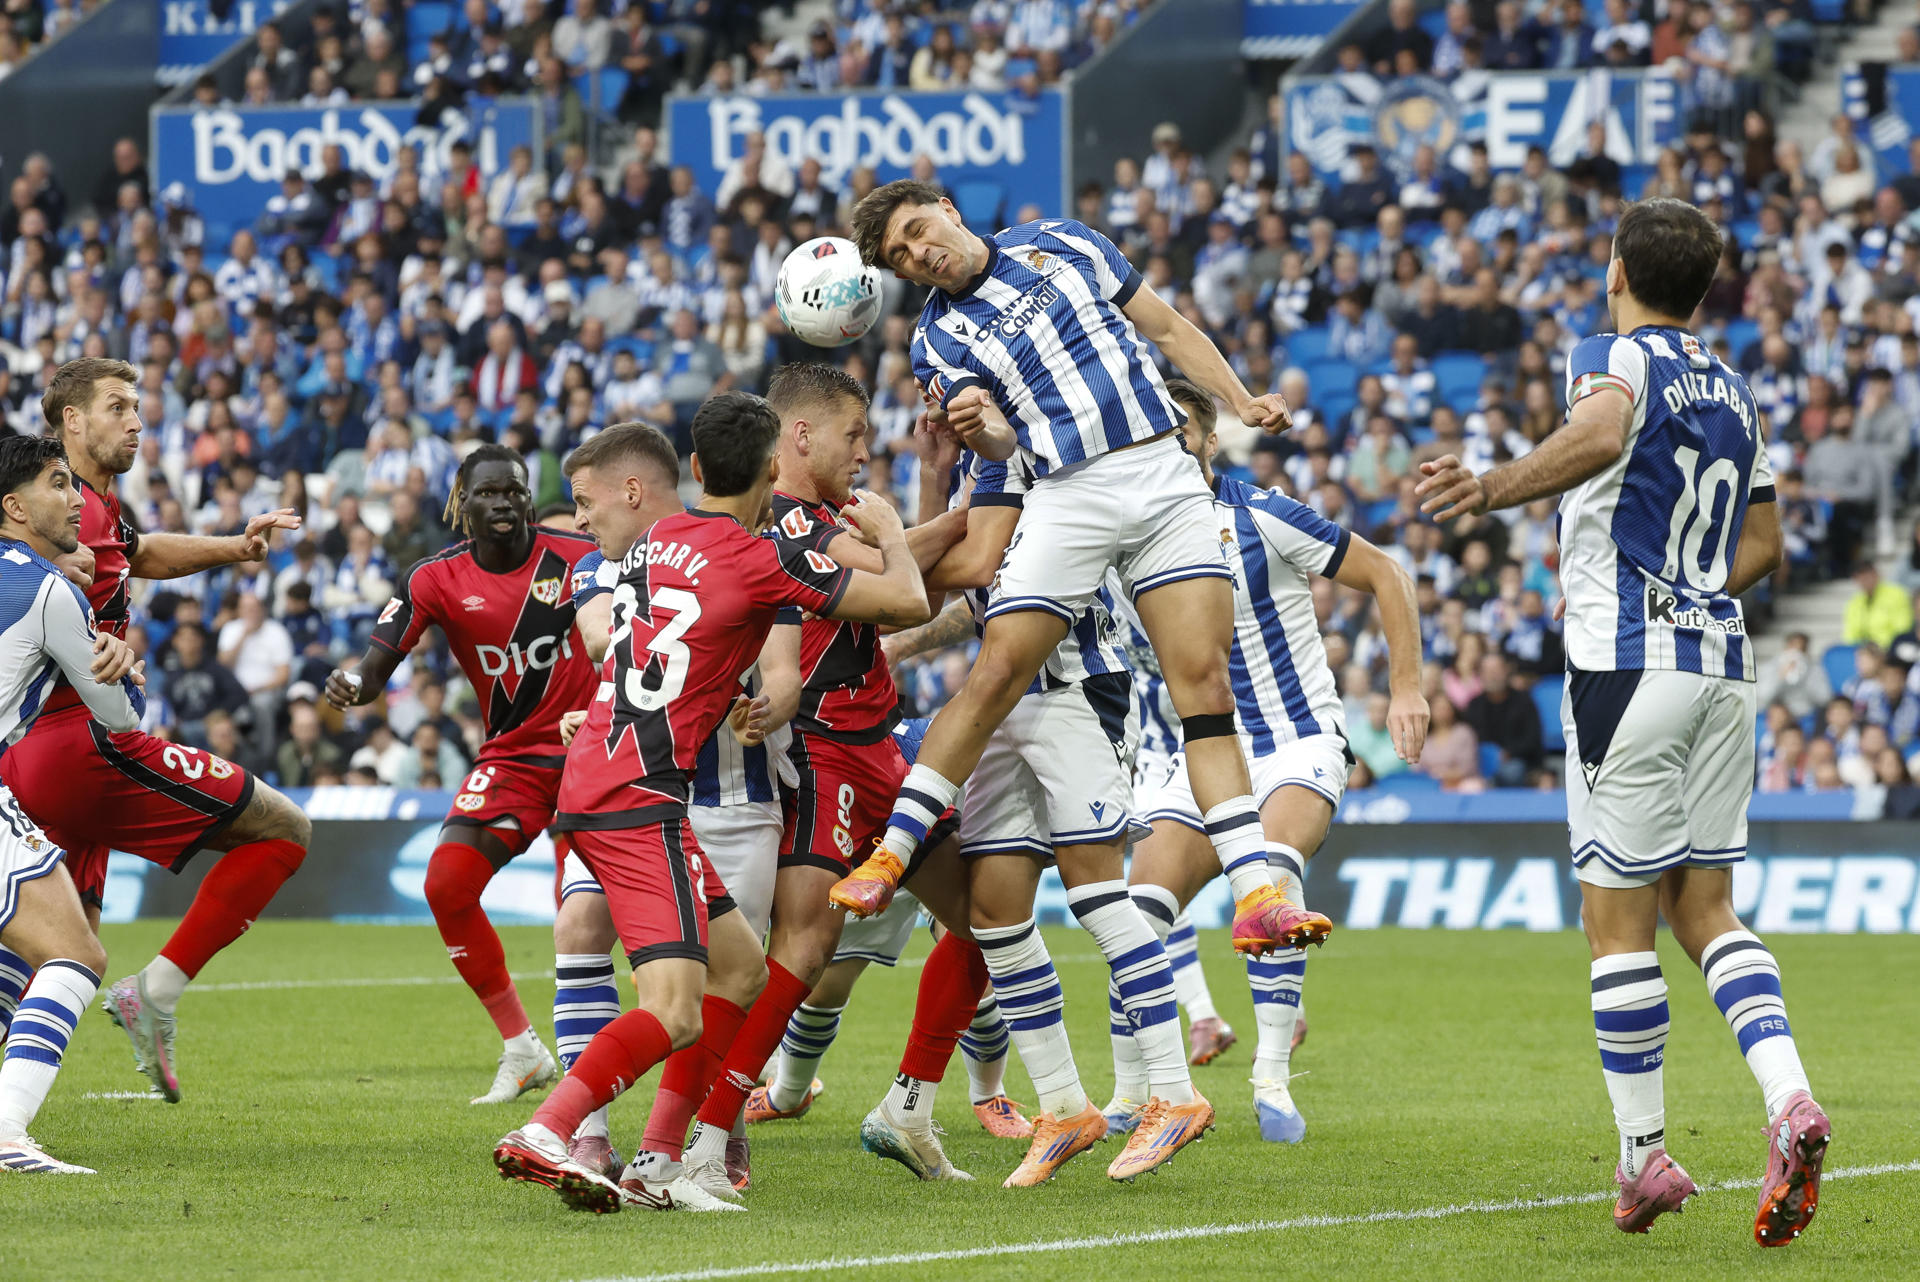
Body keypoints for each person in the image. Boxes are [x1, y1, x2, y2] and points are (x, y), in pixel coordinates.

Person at [1417, 197, 1826, 1246]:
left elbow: (1598, 435)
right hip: (1722, 668)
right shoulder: (1738, 389)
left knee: (1617, 926)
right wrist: (1694, 587)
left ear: (1617, 269)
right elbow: (1769, 543)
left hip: (1627, 666)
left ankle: (1643, 1157)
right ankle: (1788, 1100)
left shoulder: (1614, 355)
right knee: (1708, 908)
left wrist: (1494, 485)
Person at [839, 185, 1318, 1048]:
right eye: (903, 260)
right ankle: (891, 854)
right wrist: (982, 431)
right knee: (995, 668)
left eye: (919, 233)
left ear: (947, 209)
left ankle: (1258, 894)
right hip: (1068, 492)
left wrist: (1241, 403)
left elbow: (1169, 330)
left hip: (1166, 479)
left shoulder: (1065, 242)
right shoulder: (938, 338)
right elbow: (994, 456)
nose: (921, 257)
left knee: (1202, 686)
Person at [490, 391, 931, 1212]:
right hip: (638, 794)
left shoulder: (657, 538)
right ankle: (551, 1128)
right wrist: (894, 537)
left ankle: (659, 1166)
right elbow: (908, 603)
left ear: (694, 470)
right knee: (676, 1010)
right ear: (773, 468)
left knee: (739, 969)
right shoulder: (761, 560)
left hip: (604, 770)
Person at [650, 364, 970, 1197]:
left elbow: (917, 575)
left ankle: (908, 1106)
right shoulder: (788, 524)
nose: (864, 452)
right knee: (798, 949)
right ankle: (706, 1132)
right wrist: (1004, 492)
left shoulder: (825, 518)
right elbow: (920, 580)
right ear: (799, 437)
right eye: (852, 436)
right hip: (825, 753)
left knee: (988, 923)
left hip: (882, 752)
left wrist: (939, 486)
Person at [1121, 381, 1426, 1145]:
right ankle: (1137, 1096)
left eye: (1182, 431)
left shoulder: (1263, 513)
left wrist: (1407, 689)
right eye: (1155, 432)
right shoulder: (1125, 536)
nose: (1171, 444)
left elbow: (1387, 573)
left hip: (1296, 738)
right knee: (1138, 914)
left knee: (1276, 869)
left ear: (1208, 441)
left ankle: (1271, 1080)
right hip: (1199, 752)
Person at [0, 359, 310, 1105]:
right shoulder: (60, 523)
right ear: (70, 422)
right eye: (118, 407)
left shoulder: (92, 511)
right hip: (84, 745)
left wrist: (236, 547)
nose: (136, 421)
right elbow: (72, 574)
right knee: (284, 831)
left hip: (24, 754)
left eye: (138, 407)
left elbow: (140, 553)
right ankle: (158, 991)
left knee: (52, 946)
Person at [549, 422, 804, 1192]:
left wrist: (767, 703)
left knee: (734, 972)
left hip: (735, 794)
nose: (580, 520)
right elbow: (601, 640)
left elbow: (784, 668)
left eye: (586, 501)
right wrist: (606, 704)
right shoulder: (616, 563)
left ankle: (683, 1149)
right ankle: (574, 1131)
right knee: (598, 935)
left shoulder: (760, 558)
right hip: (634, 788)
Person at [324, 444, 599, 1105]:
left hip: (594, 749)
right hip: (511, 759)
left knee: (582, 919)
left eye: (513, 491)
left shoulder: (579, 561)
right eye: (486, 493)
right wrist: (353, 682)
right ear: (460, 504)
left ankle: (596, 1081)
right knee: (447, 884)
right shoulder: (435, 579)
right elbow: (378, 660)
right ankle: (522, 1049)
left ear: (528, 499)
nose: (502, 502)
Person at [0, 435, 145, 1173]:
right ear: (15, 507)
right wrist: (126, 666)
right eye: (59, 484)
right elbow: (121, 720)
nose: (76, 496)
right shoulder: (52, 589)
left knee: (12, 949)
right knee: (76, 951)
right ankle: (7, 1135)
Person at [1841, 560, 1912, 650]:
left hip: (1890, 650)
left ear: (1876, 574)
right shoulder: (1854, 603)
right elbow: (1850, 635)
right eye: (1861, 579)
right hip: (1864, 652)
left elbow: (1902, 629)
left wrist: (1880, 648)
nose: (1865, 582)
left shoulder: (1896, 594)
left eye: (1867, 577)